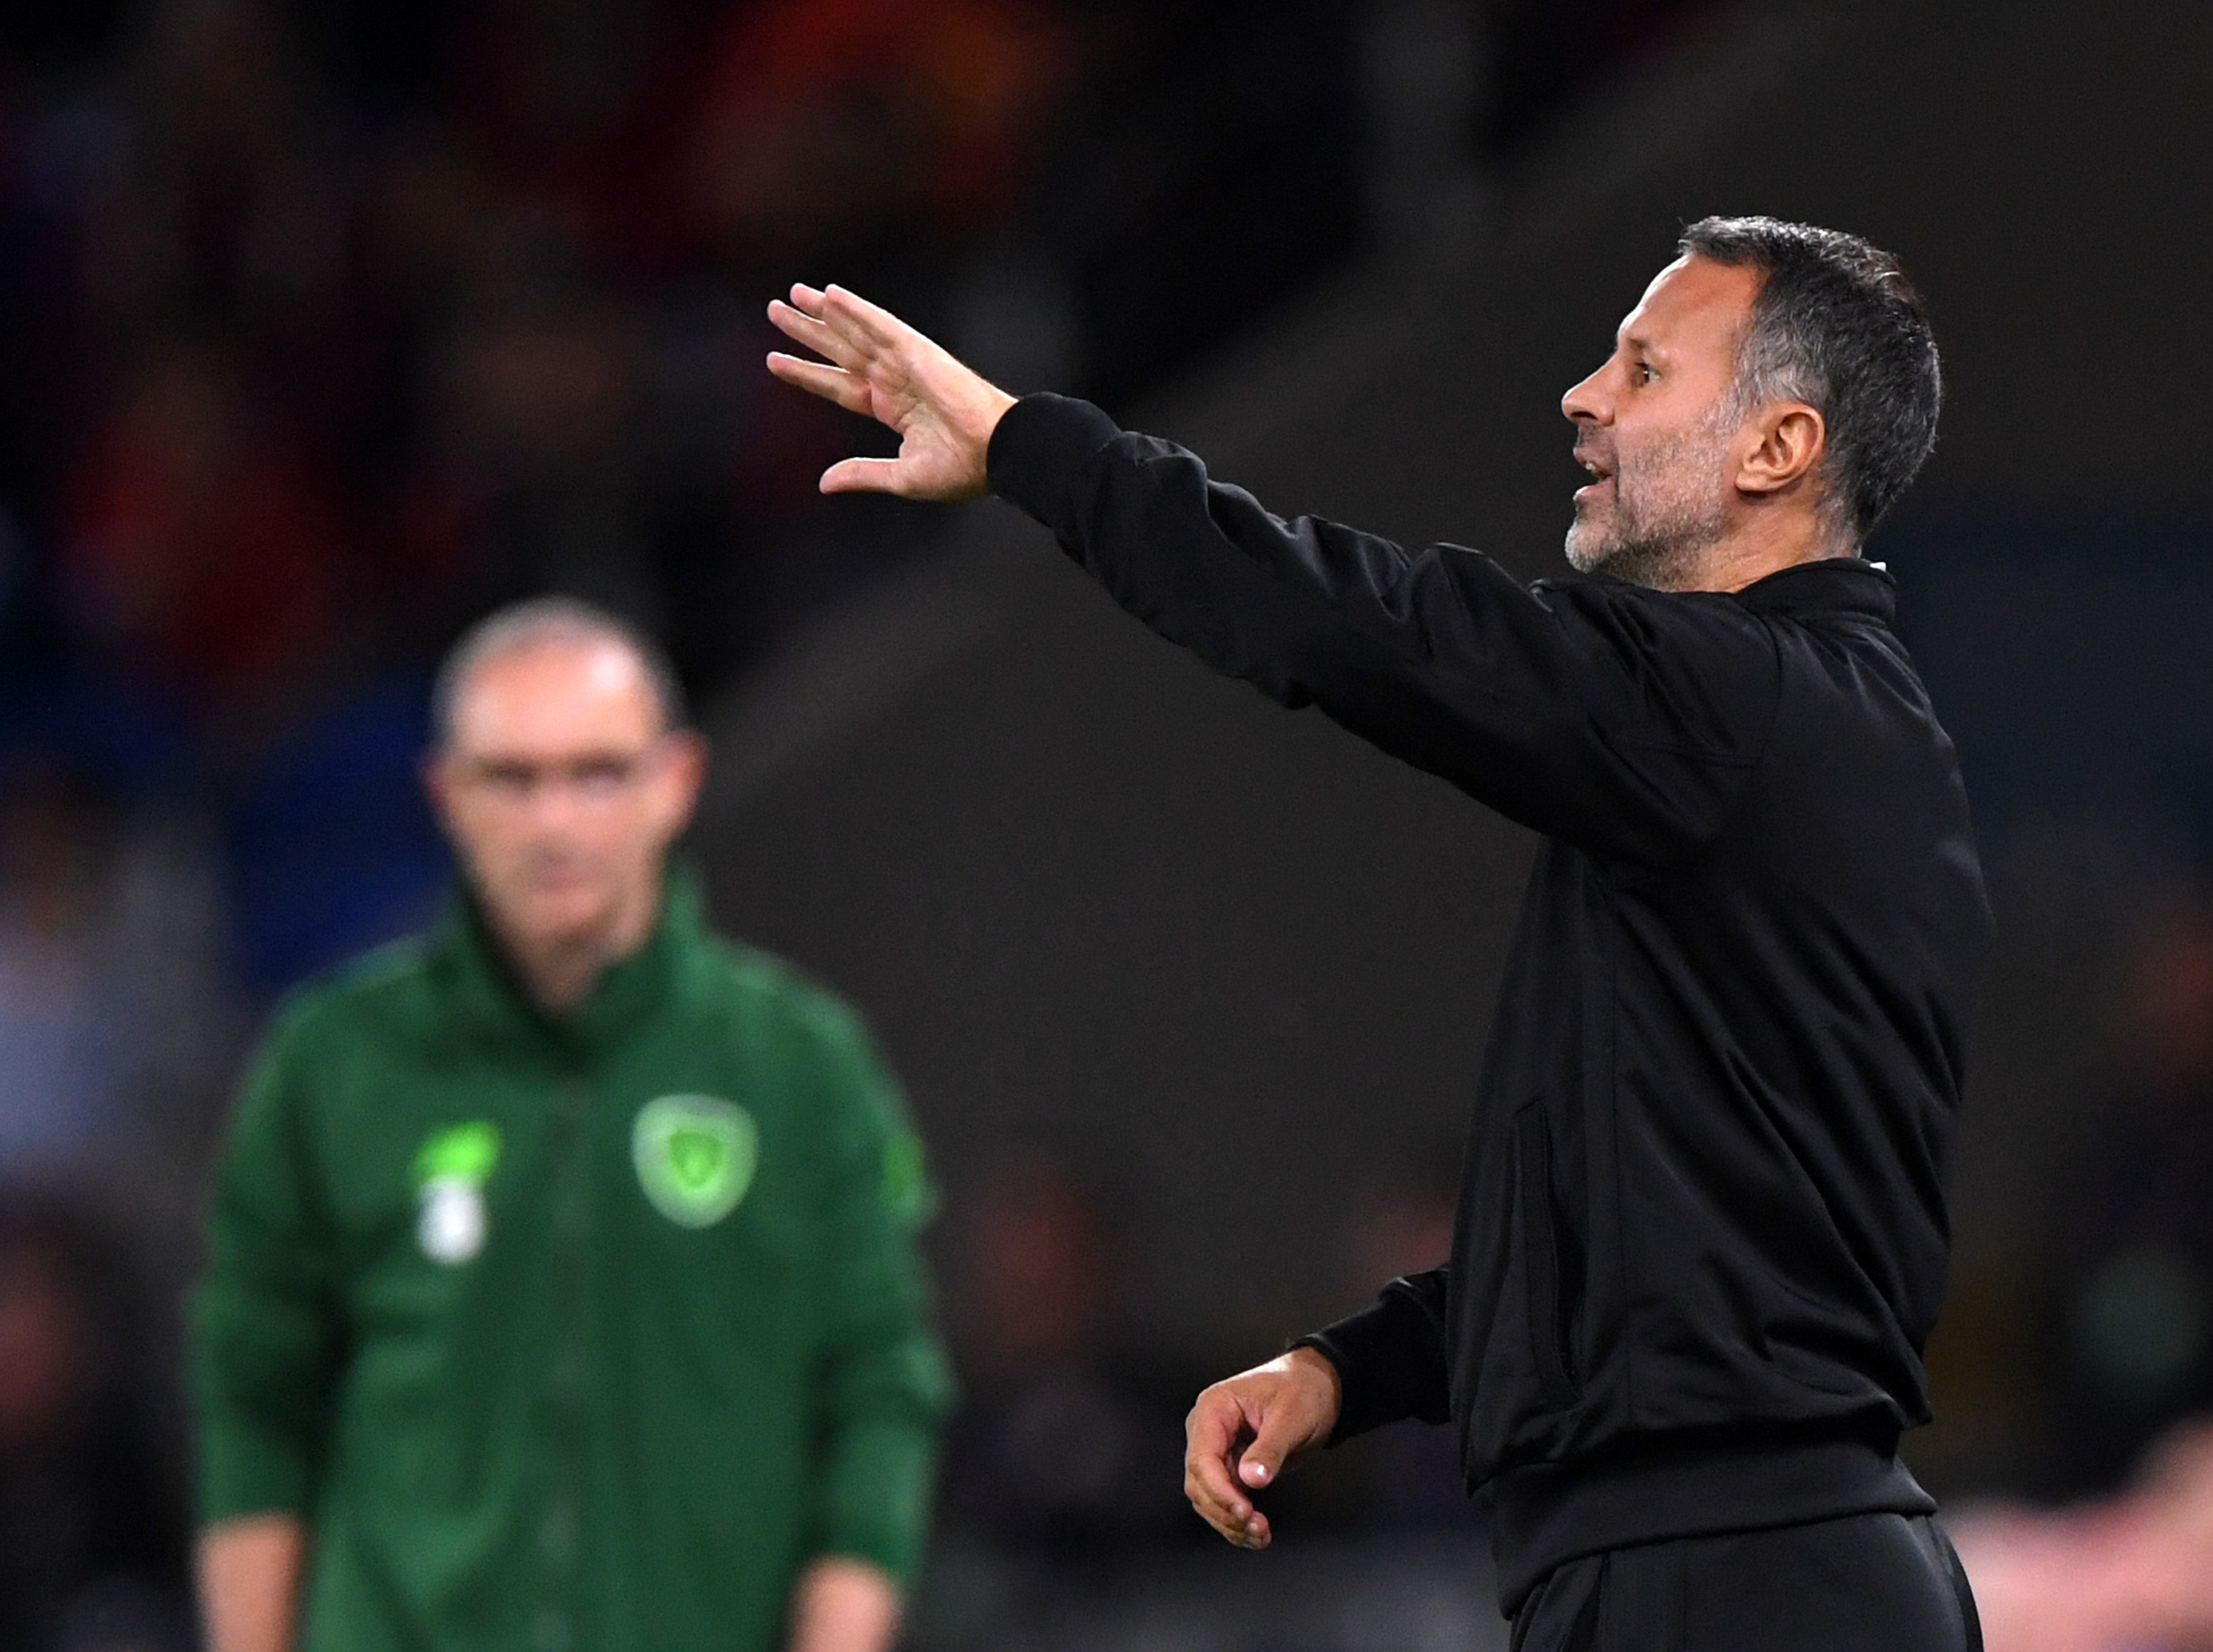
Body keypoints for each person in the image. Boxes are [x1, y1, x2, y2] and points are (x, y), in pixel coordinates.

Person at [765, 213, 1993, 1648]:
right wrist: (1351, 1371)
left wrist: (1032, 449)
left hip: (1741, 1586)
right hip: (1732, 1570)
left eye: (1645, 368)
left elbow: (1363, 626)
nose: (1583, 393)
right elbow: (1648, 1247)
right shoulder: (1772, 745)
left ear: (1777, 449)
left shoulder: (1746, 705)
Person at [188, 599, 952, 1652]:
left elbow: (879, 1395)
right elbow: (254, 1397)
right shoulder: (331, 1064)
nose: (555, 822)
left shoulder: (802, 1067)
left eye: (598, 772)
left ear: (675, 781)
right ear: (445, 792)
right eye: (513, 777)